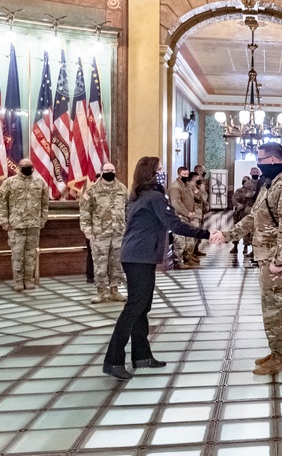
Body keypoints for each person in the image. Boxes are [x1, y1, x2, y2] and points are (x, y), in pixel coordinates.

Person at [103, 157, 223, 380]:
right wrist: (208, 234)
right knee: (134, 307)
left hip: (138, 255)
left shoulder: (139, 195)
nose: (162, 173)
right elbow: (174, 224)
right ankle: (113, 360)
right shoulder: (154, 197)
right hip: (139, 256)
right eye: (159, 170)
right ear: (150, 174)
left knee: (142, 307)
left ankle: (142, 356)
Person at [223, 143, 282, 376]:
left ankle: (281, 357)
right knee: (271, 307)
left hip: (279, 260)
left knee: (276, 308)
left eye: (261, 159)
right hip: (266, 257)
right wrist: (228, 235)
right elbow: (253, 218)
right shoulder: (269, 185)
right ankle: (277, 351)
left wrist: (278, 260)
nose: (257, 163)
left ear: (274, 160)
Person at [0, 158, 50, 292]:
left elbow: (45, 203)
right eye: (24, 166)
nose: (27, 168)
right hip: (16, 225)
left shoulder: (40, 182)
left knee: (31, 254)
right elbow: (2, 203)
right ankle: (18, 281)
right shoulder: (9, 182)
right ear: (19, 167)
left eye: (30, 166)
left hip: (33, 225)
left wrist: (43, 219)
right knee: (17, 255)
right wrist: (4, 221)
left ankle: (28, 279)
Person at [79, 162, 128, 304]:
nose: (110, 172)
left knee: (116, 263)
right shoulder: (92, 190)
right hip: (99, 234)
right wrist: (87, 230)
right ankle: (101, 291)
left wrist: (128, 227)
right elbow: (84, 211)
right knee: (100, 264)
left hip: (118, 232)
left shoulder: (122, 189)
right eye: (107, 170)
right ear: (101, 172)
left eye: (112, 170)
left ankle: (114, 290)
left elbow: (128, 208)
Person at [168, 166, 199, 269]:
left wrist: (193, 212)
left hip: (189, 216)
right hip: (179, 216)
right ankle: (178, 261)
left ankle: (187, 258)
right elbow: (176, 202)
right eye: (184, 175)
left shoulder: (187, 186)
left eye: (187, 174)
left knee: (190, 239)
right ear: (179, 174)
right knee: (180, 240)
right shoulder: (175, 187)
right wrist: (186, 213)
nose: (186, 176)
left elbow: (192, 199)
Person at [231, 176, 257, 257]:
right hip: (239, 213)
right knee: (237, 229)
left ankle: (246, 246)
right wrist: (238, 205)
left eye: (247, 181)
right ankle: (235, 246)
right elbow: (234, 199)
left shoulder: (253, 191)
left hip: (248, 213)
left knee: (248, 231)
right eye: (244, 180)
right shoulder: (239, 190)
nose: (245, 182)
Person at [192, 165, 210, 259]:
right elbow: (199, 196)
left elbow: (205, 196)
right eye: (202, 171)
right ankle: (190, 254)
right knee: (194, 231)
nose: (203, 173)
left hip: (202, 211)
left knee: (200, 230)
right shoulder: (193, 182)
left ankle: (196, 249)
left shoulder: (201, 182)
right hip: (195, 211)